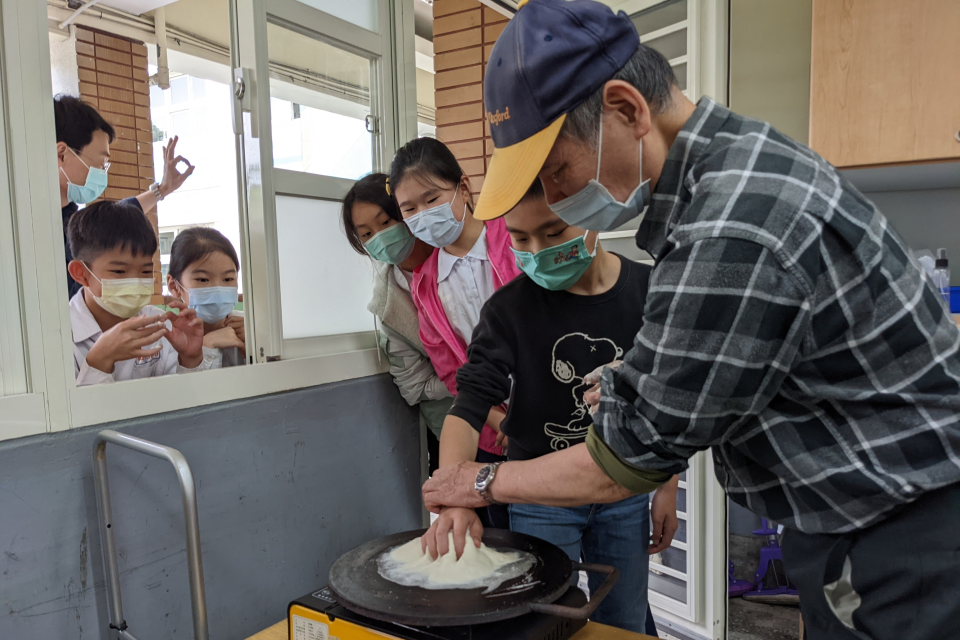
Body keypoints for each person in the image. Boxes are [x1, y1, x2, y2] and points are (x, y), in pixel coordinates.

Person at [422, 2, 960, 638]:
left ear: (626, 110)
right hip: (868, 519)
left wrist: (476, 480)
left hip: (902, 534)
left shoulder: (730, 226)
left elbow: (620, 461)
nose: (561, 199)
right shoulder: (738, 164)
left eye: (558, 172)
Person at [422, 179, 678, 633]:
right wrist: (455, 495)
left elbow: (664, 408)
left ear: (594, 218)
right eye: (520, 238)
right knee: (540, 622)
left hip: (624, 495)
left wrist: (666, 485)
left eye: (554, 232)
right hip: (537, 496)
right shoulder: (508, 308)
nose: (537, 249)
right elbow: (468, 406)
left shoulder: (652, 290)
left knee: (622, 620)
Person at [388, 138, 521, 529]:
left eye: (432, 199)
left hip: (548, 420)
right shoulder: (426, 285)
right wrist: (498, 422)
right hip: (488, 435)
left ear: (463, 188)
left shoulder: (514, 238)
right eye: (409, 209)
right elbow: (451, 373)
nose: (423, 215)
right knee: (505, 550)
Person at [341, 173, 453, 473]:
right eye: (366, 234)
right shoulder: (388, 306)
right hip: (454, 432)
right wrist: (465, 383)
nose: (379, 236)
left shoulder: (458, 258)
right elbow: (415, 387)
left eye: (386, 222)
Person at [55, 95, 194, 298]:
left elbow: (118, 216)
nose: (103, 172)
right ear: (62, 154)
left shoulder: (71, 220)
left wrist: (162, 189)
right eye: (101, 163)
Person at [67, 200, 217, 385]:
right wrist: (98, 361)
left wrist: (190, 359)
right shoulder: (59, 335)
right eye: (119, 272)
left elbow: (184, 401)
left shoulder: (161, 324)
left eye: (146, 271)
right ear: (81, 273)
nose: (136, 282)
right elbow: (70, 412)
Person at [166, 227, 246, 368]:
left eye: (228, 279)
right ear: (174, 286)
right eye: (203, 279)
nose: (218, 289)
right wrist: (206, 346)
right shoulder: (166, 340)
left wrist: (254, 353)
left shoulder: (253, 329)